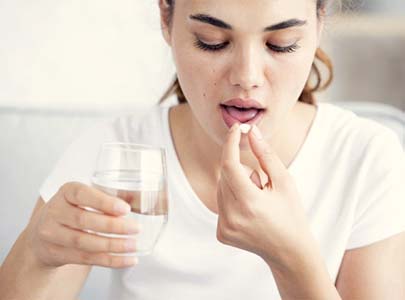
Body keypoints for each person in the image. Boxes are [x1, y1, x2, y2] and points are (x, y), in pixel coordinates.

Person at [1, 0, 405, 299]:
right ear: (166, 18)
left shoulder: (367, 159)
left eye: (281, 44)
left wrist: (292, 258)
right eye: (212, 42)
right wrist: (37, 252)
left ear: (319, 25)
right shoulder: (114, 155)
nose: (246, 78)